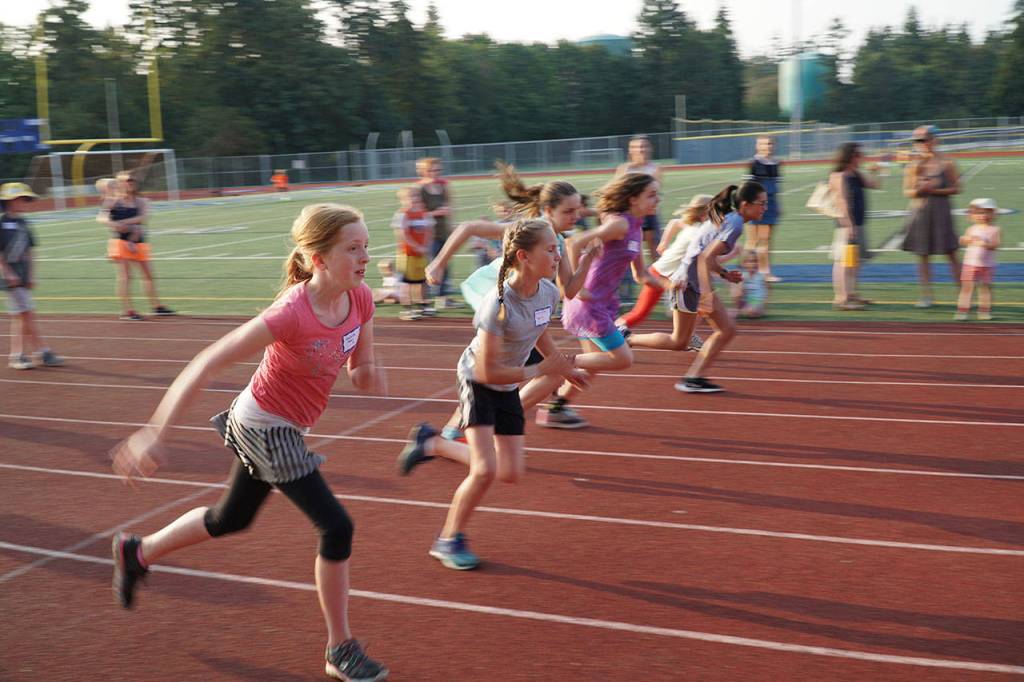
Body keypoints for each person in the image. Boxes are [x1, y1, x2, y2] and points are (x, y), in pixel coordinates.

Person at [109, 203, 389, 681]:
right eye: (352, 248)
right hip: (264, 426)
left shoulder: (359, 298)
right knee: (336, 528)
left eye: (366, 246)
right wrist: (155, 432)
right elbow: (205, 363)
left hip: (287, 427)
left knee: (230, 518)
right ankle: (340, 648)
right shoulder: (290, 313)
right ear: (319, 258)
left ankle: (138, 552)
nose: (364, 257)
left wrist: (369, 374)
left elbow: (359, 366)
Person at [399, 219, 588, 570]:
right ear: (524, 256)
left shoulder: (547, 292)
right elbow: (487, 373)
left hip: (508, 383)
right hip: (478, 382)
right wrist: (540, 371)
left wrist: (563, 367)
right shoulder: (498, 304)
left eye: (558, 248)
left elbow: (539, 331)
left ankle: (433, 443)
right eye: (550, 249)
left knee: (510, 472)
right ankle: (448, 539)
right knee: (485, 470)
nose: (558, 255)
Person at [424, 163, 599, 434]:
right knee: (530, 370)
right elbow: (469, 227)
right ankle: (485, 426)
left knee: (518, 371)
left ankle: (461, 431)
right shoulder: (528, 231)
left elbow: (569, 291)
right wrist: (438, 264)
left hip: (523, 305)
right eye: (568, 211)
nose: (576, 216)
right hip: (495, 295)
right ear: (548, 210)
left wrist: (586, 264)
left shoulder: (558, 241)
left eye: (578, 210)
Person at [541, 172, 662, 425]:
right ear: (633, 199)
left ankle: (556, 409)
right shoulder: (619, 224)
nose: (657, 200)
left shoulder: (636, 228)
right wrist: (578, 287)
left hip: (602, 305)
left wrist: (674, 287)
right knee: (623, 359)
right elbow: (574, 243)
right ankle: (558, 364)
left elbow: (640, 275)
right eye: (651, 195)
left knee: (594, 365)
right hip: (588, 304)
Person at [666, 181, 767, 394]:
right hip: (689, 282)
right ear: (746, 204)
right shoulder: (735, 223)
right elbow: (704, 258)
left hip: (692, 280)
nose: (765, 208)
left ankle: (693, 377)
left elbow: (706, 256)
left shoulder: (731, 219)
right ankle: (628, 338)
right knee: (679, 341)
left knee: (723, 331)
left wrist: (724, 274)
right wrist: (706, 294)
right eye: (761, 203)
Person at [615, 193, 714, 350]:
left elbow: (674, 223)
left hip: (673, 278)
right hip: (659, 274)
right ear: (704, 214)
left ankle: (689, 336)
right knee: (639, 314)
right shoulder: (697, 233)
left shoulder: (694, 226)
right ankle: (614, 331)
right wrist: (732, 252)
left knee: (701, 306)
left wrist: (664, 243)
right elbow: (707, 258)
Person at [0, 183, 63, 370]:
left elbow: (29, 250)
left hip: (23, 275)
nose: (24, 202)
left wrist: (31, 275)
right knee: (26, 314)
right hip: (10, 277)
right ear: (10, 201)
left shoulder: (24, 223)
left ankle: (24, 354)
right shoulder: (1, 223)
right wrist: (8, 273)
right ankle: (39, 352)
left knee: (22, 315)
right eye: (21, 199)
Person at [98, 172, 175, 321]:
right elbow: (101, 218)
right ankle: (127, 311)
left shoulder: (141, 201)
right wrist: (113, 224)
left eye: (132, 181)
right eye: (127, 181)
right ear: (120, 183)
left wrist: (123, 223)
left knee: (148, 276)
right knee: (126, 277)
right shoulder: (113, 201)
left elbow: (143, 217)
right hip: (120, 242)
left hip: (139, 241)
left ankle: (157, 306)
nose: (130, 183)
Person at [902, 125, 961, 308]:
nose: (920, 143)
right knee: (922, 254)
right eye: (917, 140)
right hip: (920, 212)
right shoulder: (913, 165)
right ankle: (926, 295)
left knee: (951, 253)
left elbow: (957, 188)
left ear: (935, 140)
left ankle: (963, 293)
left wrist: (934, 190)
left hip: (941, 211)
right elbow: (907, 192)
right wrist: (919, 189)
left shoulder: (947, 162)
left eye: (924, 139)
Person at [829, 142, 881, 310]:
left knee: (854, 262)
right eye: (860, 155)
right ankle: (841, 299)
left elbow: (875, 184)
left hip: (858, 223)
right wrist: (849, 225)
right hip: (846, 226)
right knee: (843, 262)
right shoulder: (839, 175)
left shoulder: (856, 174)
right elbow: (841, 202)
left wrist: (876, 171)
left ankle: (851, 294)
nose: (863, 158)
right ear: (852, 156)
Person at [616, 136, 663, 263]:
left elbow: (654, 189)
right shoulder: (624, 169)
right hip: (630, 215)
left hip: (650, 213)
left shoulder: (655, 168)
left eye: (644, 146)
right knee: (630, 248)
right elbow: (619, 190)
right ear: (631, 150)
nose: (641, 150)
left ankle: (655, 271)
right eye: (637, 147)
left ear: (649, 148)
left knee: (655, 248)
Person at [390, 187, 434, 320]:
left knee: (422, 281)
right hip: (407, 255)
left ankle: (423, 305)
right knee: (406, 283)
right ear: (402, 200)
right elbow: (402, 235)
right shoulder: (402, 215)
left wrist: (425, 246)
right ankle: (407, 309)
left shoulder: (424, 214)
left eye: (416, 196)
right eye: (409, 197)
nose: (413, 200)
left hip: (421, 254)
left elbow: (429, 230)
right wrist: (416, 247)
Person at [417, 157, 456, 307]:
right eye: (431, 170)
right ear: (423, 171)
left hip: (443, 231)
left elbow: (450, 207)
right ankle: (425, 298)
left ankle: (443, 297)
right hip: (429, 234)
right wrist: (435, 213)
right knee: (433, 264)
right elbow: (417, 214)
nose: (435, 173)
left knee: (445, 264)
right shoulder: (420, 189)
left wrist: (451, 225)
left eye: (437, 170)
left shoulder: (443, 187)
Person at [956, 198, 1001, 321]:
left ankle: (984, 311)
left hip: (987, 265)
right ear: (972, 215)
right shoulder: (971, 229)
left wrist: (985, 244)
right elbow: (965, 240)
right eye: (979, 213)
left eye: (987, 212)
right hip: (970, 264)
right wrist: (964, 240)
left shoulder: (995, 229)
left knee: (985, 288)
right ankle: (963, 310)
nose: (983, 216)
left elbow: (996, 245)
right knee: (967, 287)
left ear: (993, 214)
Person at [745, 136, 783, 282]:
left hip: (771, 204)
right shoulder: (754, 163)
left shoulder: (776, 163)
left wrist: (778, 205)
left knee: (766, 240)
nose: (768, 146)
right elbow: (748, 186)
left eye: (770, 143)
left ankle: (765, 272)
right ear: (757, 146)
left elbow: (776, 186)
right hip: (756, 203)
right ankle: (750, 272)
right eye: (764, 144)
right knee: (753, 241)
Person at [732, 251, 769, 318]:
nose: (753, 264)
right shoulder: (743, 276)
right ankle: (738, 309)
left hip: (757, 302)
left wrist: (764, 305)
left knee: (752, 311)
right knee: (736, 284)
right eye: (750, 261)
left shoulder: (761, 276)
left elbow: (767, 290)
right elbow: (739, 292)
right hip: (746, 302)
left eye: (755, 261)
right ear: (745, 264)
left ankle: (743, 311)